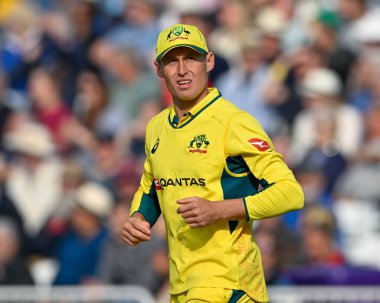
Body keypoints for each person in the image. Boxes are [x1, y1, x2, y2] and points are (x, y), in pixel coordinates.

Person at [121, 23, 304, 303]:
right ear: (158, 69)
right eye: (172, 61)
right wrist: (138, 218)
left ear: (209, 61)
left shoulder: (233, 122)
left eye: (191, 58)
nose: (182, 70)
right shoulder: (156, 127)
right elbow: (152, 187)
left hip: (230, 285)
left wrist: (219, 210)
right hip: (181, 285)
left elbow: (290, 193)